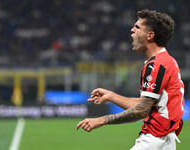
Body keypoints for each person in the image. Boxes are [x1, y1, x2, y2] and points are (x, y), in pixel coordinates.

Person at [76, 9, 185, 150]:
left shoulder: (156, 65)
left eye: (137, 27)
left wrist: (102, 120)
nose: (132, 30)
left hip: (154, 140)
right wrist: (111, 96)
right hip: (164, 140)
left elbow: (141, 111)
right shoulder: (166, 61)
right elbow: (146, 104)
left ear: (150, 35)